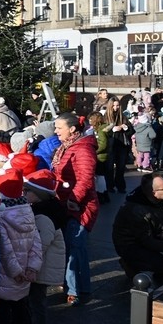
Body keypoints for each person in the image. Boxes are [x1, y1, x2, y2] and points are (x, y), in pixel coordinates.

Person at [0, 169, 42, 324]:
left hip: (6, 277)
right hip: (25, 277)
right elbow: (36, 243)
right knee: (21, 312)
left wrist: (15, 272)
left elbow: (5, 250)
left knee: (3, 317)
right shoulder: (28, 212)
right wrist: (32, 268)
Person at [52, 112, 98, 306]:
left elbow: (86, 178)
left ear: (72, 129)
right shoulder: (67, 146)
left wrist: (74, 199)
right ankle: (79, 286)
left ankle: (74, 290)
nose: (56, 131)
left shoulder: (83, 149)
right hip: (67, 202)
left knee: (74, 248)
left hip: (80, 206)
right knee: (75, 248)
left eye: (59, 128)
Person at [24, 169, 66, 324]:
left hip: (41, 267)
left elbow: (40, 245)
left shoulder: (43, 217)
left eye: (28, 191)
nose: (24, 193)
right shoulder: (46, 210)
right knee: (36, 300)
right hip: (42, 264)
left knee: (36, 301)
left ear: (39, 195)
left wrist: (30, 266)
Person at [112, 173, 163, 282]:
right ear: (154, 193)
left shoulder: (161, 198)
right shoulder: (135, 210)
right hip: (131, 246)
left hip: (154, 233)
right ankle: (130, 264)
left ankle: (161, 271)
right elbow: (148, 242)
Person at [104, 97, 134, 194]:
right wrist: (112, 129)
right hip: (110, 145)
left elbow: (132, 130)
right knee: (109, 168)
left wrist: (126, 128)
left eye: (117, 105)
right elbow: (102, 131)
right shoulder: (105, 117)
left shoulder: (123, 116)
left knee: (120, 168)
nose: (115, 108)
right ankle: (109, 186)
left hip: (122, 145)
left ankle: (120, 186)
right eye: (113, 106)